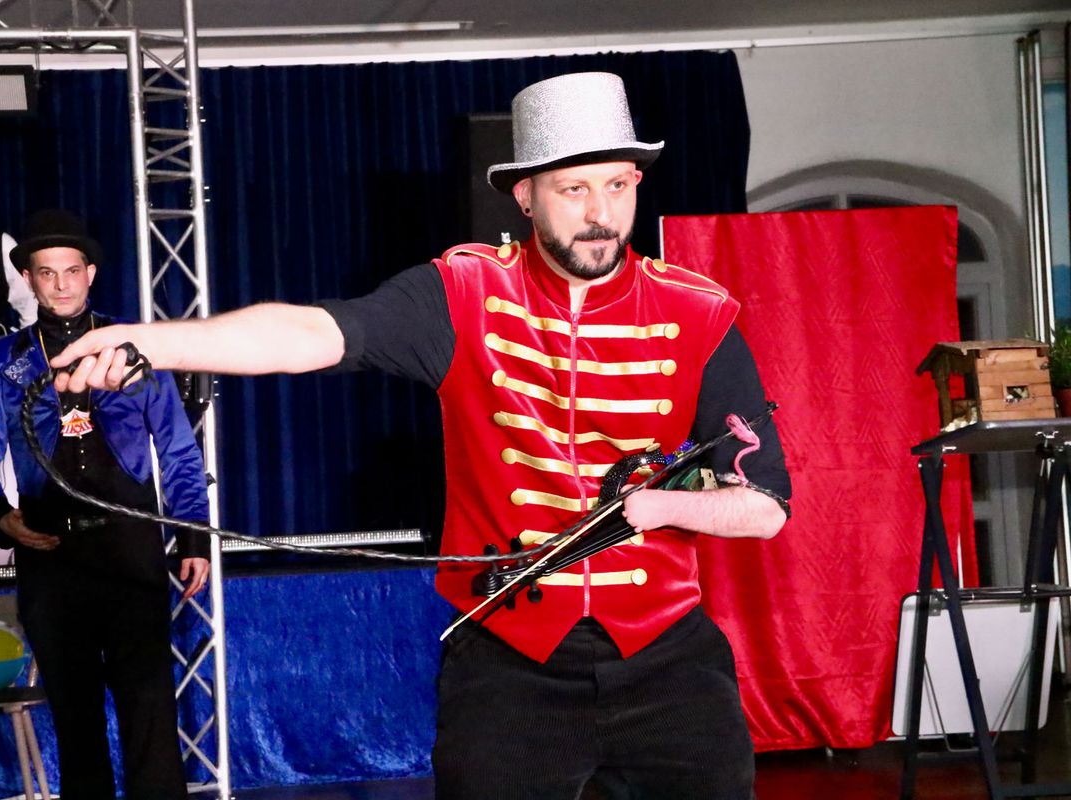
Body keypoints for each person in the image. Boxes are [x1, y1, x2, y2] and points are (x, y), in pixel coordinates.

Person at [52, 72, 791, 799]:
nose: (601, 214)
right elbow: (312, 333)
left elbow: (766, 506)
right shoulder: (464, 292)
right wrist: (151, 343)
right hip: (509, 659)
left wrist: (661, 507)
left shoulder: (699, 313)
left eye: (617, 186)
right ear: (525, 195)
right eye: (574, 189)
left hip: (666, 657)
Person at [0, 210, 211, 800]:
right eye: (47, 273)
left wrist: (193, 536)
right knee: (75, 716)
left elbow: (178, 450)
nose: (61, 284)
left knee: (149, 708)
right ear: (28, 279)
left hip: (129, 546)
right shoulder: (5, 359)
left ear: (90, 273)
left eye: (71, 271)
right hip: (51, 551)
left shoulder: (132, 348)